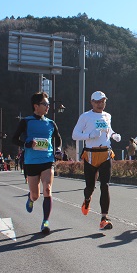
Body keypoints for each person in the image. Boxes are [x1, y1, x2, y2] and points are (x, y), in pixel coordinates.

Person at [12, 92, 62, 234]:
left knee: (47, 189)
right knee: (36, 194)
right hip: (31, 162)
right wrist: (26, 144)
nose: (47, 107)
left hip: (47, 160)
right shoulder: (26, 121)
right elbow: (14, 139)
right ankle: (31, 198)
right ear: (36, 106)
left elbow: (58, 138)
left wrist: (57, 149)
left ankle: (45, 221)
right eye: (45, 104)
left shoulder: (51, 123)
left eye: (48, 104)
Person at [72, 90, 121, 230]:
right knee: (90, 187)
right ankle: (87, 200)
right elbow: (75, 135)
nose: (100, 104)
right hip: (91, 154)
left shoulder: (107, 116)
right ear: (91, 102)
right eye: (97, 101)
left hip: (105, 153)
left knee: (105, 185)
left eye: (103, 101)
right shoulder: (85, 117)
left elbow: (108, 130)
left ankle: (104, 218)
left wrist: (114, 135)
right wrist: (89, 135)